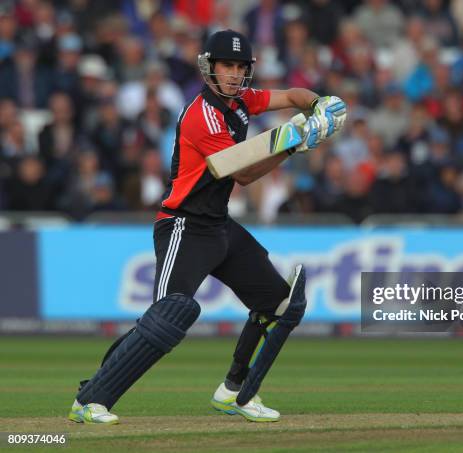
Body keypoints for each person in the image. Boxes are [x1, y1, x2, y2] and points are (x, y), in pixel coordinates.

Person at [68, 29, 346, 424]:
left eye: (239, 67)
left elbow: (292, 96)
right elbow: (245, 173)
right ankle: (90, 398)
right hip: (183, 226)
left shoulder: (243, 100)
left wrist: (320, 104)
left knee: (279, 305)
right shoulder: (202, 115)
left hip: (218, 226)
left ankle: (234, 391)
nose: (233, 74)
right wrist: (298, 139)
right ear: (209, 69)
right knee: (165, 318)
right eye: (225, 66)